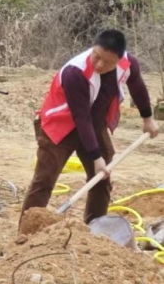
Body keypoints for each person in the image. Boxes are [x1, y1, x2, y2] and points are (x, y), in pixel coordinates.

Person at [20, 29, 159, 225]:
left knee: (102, 179)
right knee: (44, 180)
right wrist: (96, 157)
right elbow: (80, 117)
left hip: (94, 124)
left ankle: (96, 229)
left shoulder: (129, 64)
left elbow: (137, 85)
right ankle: (27, 233)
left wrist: (147, 118)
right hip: (60, 126)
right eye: (97, 56)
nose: (100, 65)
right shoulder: (74, 72)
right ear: (93, 48)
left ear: (119, 60)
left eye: (108, 62)